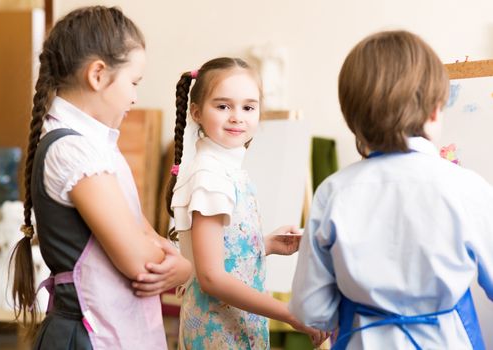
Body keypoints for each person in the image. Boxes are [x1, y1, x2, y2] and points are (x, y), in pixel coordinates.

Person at [289, 30, 493, 349]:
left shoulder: (334, 191)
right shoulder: (467, 186)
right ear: (436, 110)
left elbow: (310, 308)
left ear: (351, 116)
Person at [10, 6, 191, 349]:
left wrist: (177, 260)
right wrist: (183, 267)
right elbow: (140, 259)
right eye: (133, 82)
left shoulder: (96, 145)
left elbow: (142, 231)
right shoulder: (73, 151)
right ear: (97, 74)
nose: (136, 96)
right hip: (89, 337)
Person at [165, 57, 329, 349]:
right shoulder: (209, 176)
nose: (237, 117)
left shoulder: (224, 169)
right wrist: (290, 313)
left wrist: (266, 244)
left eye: (248, 107)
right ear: (196, 112)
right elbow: (211, 277)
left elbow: (216, 253)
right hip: (217, 332)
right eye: (223, 106)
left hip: (236, 327)